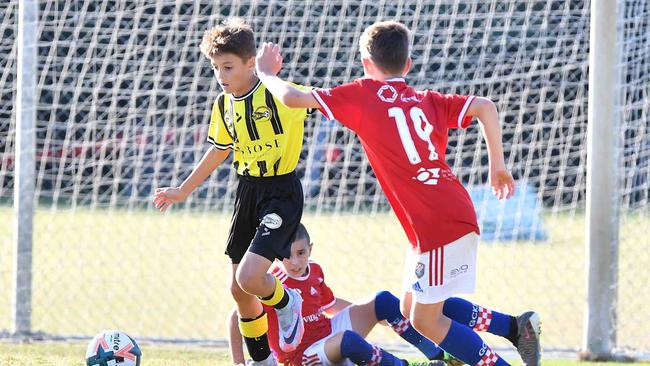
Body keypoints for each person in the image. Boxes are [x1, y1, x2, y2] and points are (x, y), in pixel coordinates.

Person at [255, 21, 541, 366]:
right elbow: (485, 106)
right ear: (408, 65)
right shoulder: (427, 100)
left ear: (365, 64)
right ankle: (515, 328)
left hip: (437, 223)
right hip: (444, 214)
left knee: (425, 320)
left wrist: (265, 73)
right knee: (411, 307)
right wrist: (498, 165)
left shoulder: (363, 94)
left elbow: (292, 98)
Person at [153, 18, 312, 366]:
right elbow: (220, 149)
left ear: (250, 62)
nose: (220, 75)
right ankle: (261, 361)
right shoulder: (223, 104)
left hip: (281, 191)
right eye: (215, 68)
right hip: (248, 192)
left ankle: (287, 304)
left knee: (251, 277)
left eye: (228, 67)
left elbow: (314, 101)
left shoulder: (276, 93)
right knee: (239, 290)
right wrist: (183, 189)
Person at [228, 223, 457, 366]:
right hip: (302, 357)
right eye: (288, 255)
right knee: (348, 341)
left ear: (311, 249)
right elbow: (237, 317)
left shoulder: (314, 270)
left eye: (301, 252)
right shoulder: (271, 283)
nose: (296, 262)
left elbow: (331, 303)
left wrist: (373, 315)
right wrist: (239, 362)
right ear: (277, 255)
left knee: (383, 300)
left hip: (327, 333)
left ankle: (438, 353)